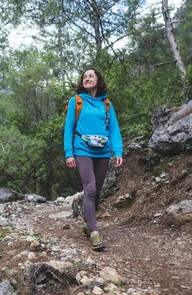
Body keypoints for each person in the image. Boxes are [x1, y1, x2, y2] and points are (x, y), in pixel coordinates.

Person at [63, 68, 123, 251]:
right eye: (84, 76)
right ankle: (95, 232)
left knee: (97, 192)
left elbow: (113, 129)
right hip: (82, 149)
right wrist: (69, 153)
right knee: (89, 189)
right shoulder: (76, 101)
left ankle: (87, 224)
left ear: (98, 80)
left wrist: (118, 151)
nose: (87, 78)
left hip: (103, 151)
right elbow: (68, 128)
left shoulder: (106, 104)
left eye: (91, 76)